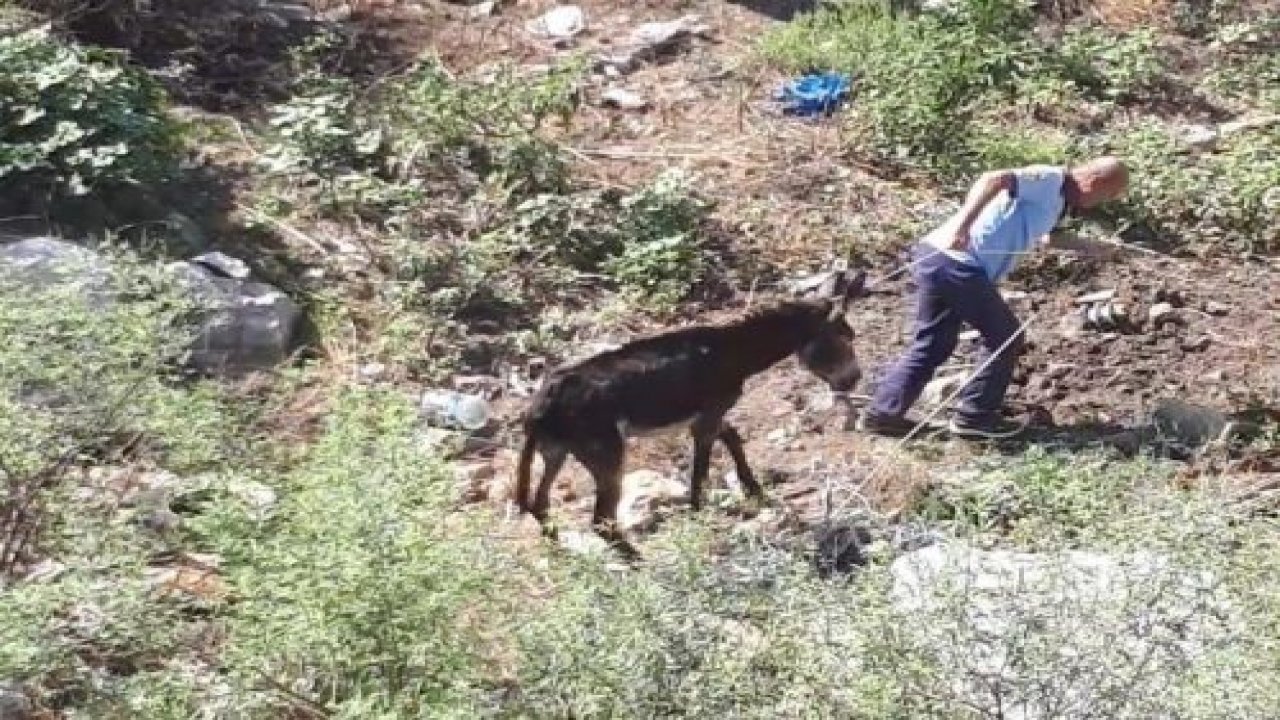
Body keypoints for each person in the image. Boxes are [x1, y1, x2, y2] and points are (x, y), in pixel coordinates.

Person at [859, 157, 1131, 440]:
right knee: (1006, 337)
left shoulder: (1059, 203)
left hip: (939, 259)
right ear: (1094, 181)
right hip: (957, 262)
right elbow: (993, 179)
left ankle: (883, 415)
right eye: (1107, 195)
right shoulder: (1051, 179)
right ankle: (974, 417)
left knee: (933, 343)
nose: (1104, 202)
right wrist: (963, 227)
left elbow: (1050, 239)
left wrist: (1094, 247)